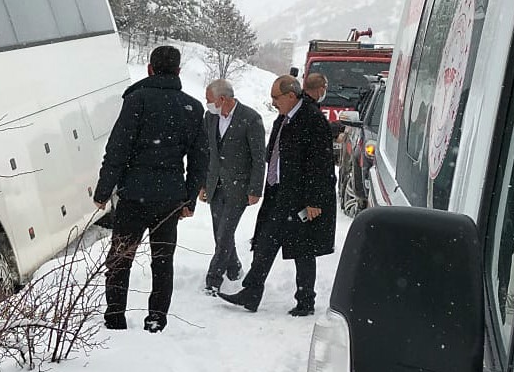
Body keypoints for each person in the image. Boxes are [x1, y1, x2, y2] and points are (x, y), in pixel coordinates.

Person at [94, 45, 208, 332]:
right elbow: (199, 159)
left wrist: (104, 190)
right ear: (179, 71)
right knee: (162, 259)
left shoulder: (137, 100)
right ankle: (156, 318)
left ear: (149, 68)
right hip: (169, 197)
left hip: (134, 194)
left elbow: (117, 148)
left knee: (121, 257)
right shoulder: (193, 108)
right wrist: (189, 199)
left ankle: (115, 316)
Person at [219, 76, 336, 316]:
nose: (273, 102)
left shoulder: (312, 119)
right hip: (279, 192)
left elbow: (321, 164)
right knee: (265, 243)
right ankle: (251, 292)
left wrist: (314, 201)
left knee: (303, 250)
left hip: (300, 196)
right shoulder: (284, 118)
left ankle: (306, 301)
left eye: (276, 97)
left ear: (291, 96)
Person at [199, 79, 265, 292]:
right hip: (215, 184)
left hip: (239, 186)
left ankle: (213, 280)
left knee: (225, 232)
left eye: (209, 100)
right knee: (219, 230)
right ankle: (234, 268)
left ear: (223, 99)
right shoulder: (210, 117)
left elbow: (258, 156)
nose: (207, 103)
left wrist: (255, 189)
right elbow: (206, 151)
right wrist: (203, 184)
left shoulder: (250, 118)